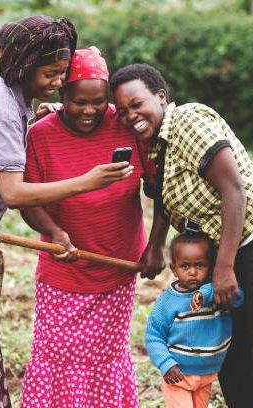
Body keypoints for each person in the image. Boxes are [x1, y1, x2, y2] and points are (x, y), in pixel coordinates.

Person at [0, 16, 133, 408]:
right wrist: (87, 181)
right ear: (22, 66)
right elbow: (13, 192)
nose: (57, 82)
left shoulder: (15, 98)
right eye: (50, 73)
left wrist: (38, 112)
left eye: (62, 73)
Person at [110, 63, 253, 408]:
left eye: (136, 104)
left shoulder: (188, 121)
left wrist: (224, 268)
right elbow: (164, 198)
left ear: (161, 97)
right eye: (122, 111)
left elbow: (232, 189)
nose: (130, 115)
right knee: (235, 360)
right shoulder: (155, 148)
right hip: (227, 251)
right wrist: (155, 246)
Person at [19, 47, 155, 408]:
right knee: (57, 356)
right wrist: (55, 232)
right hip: (63, 271)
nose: (90, 111)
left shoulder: (124, 125)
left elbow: (157, 187)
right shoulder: (42, 135)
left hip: (117, 267)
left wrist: (156, 245)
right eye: (79, 102)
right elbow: (27, 201)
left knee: (105, 358)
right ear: (63, 95)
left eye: (99, 101)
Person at [146, 231, 244, 408]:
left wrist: (205, 294)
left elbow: (237, 298)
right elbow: (154, 337)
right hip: (177, 375)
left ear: (211, 267)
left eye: (200, 265)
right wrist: (166, 364)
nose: (192, 272)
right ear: (174, 269)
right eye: (185, 266)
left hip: (206, 375)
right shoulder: (167, 302)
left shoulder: (217, 292)